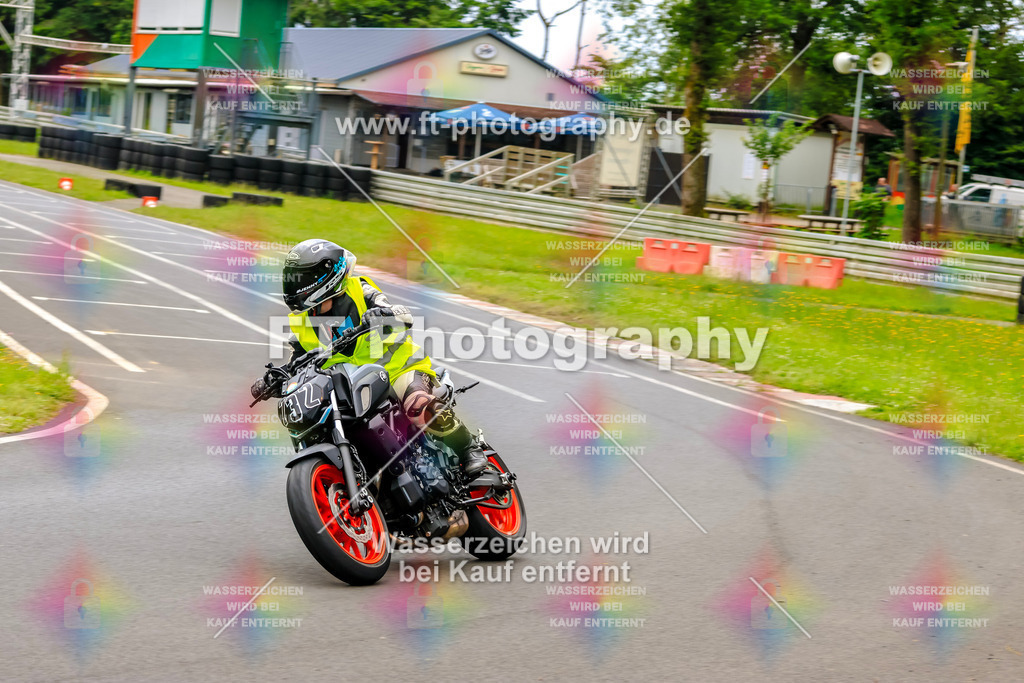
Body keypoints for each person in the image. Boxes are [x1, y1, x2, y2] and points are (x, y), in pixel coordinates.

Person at [280, 238, 487, 475]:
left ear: (326, 277)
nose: (295, 285)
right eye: (292, 278)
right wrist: (276, 379)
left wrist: (382, 315)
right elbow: (296, 364)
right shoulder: (303, 321)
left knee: (417, 404)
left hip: (397, 370)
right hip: (351, 385)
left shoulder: (360, 291)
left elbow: (403, 316)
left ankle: (468, 447)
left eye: (303, 278)